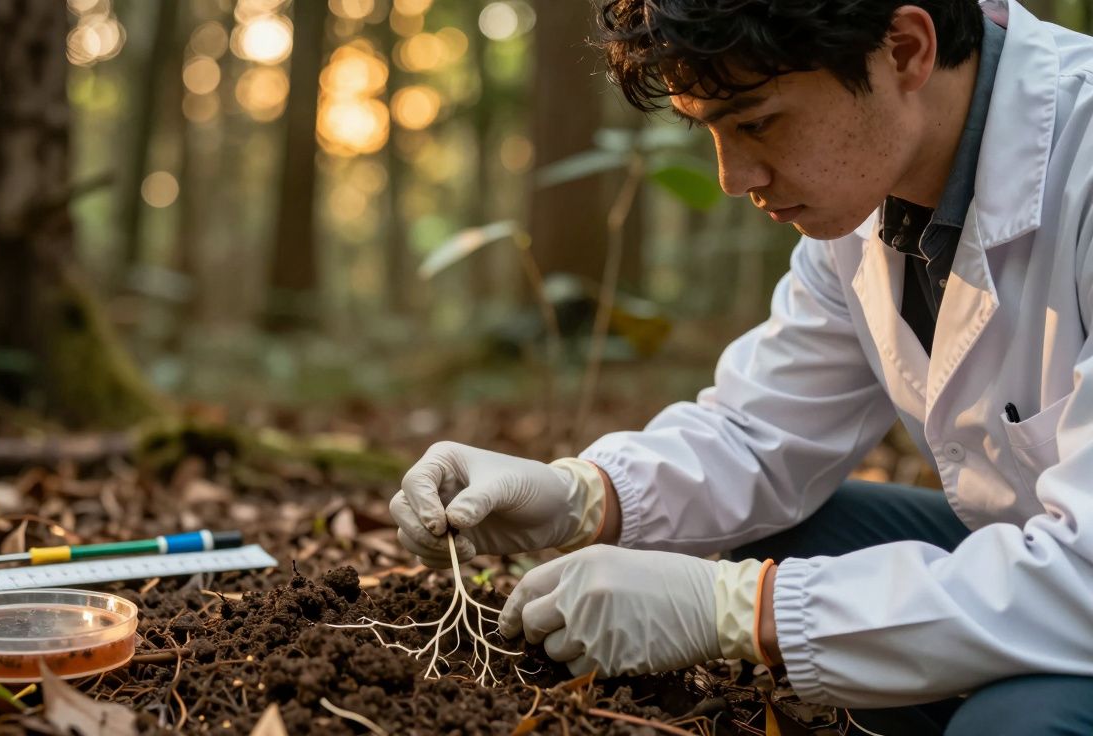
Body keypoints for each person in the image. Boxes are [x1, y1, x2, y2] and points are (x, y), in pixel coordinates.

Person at [390, 1, 1093, 733]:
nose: (732, 177)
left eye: (757, 122)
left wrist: (741, 610)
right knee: (785, 540)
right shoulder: (869, 200)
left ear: (906, 50)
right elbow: (762, 435)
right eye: (710, 131)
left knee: (1016, 725)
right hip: (1045, 550)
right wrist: (580, 496)